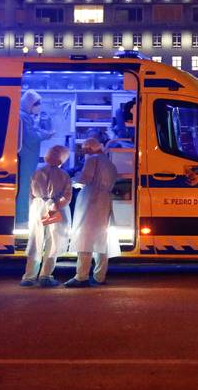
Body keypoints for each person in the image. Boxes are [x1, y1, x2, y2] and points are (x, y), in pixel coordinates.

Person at [65, 139, 120, 288]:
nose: (83, 153)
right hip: (105, 200)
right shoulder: (110, 163)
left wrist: (70, 181)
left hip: (91, 200)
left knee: (85, 237)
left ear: (89, 149)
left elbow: (84, 180)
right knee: (102, 239)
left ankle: (81, 276)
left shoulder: (92, 160)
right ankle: (100, 276)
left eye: (84, 149)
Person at [21, 145, 73, 288]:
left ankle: (29, 277)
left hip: (37, 208)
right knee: (52, 242)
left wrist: (36, 207)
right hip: (54, 208)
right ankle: (46, 276)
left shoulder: (37, 172)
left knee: (35, 241)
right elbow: (67, 196)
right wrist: (56, 205)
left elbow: (31, 194)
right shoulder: (64, 175)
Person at [17, 90, 54, 224]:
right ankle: (22, 218)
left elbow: (34, 131)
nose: (39, 106)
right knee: (25, 187)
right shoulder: (22, 117)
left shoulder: (26, 116)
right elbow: (31, 137)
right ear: (29, 104)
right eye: (37, 104)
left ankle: (23, 216)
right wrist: (46, 135)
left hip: (28, 159)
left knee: (28, 186)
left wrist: (44, 132)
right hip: (26, 159)